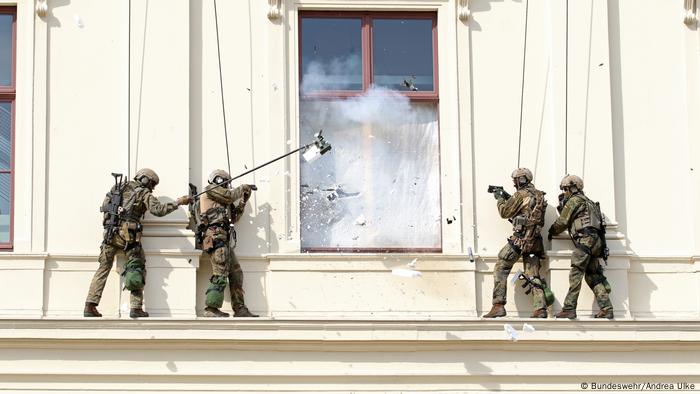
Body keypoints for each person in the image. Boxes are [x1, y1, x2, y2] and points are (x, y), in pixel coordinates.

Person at [84, 168, 192, 318]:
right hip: (128, 237)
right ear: (146, 180)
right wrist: (178, 202)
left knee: (103, 269)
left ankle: (90, 305)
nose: (152, 188)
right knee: (136, 267)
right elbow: (158, 210)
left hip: (109, 234)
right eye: (152, 184)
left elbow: (105, 207)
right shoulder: (143, 193)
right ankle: (136, 307)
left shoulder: (117, 188)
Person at [483, 168, 550, 318]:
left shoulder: (520, 195)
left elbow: (505, 212)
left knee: (501, 266)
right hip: (535, 241)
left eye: (515, 180)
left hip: (521, 239)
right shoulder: (540, 195)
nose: (514, 184)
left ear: (522, 180)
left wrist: (500, 198)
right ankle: (540, 308)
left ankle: (498, 305)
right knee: (533, 274)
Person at [548, 174, 613, 319]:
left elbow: (562, 222)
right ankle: (607, 308)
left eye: (566, 189)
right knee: (593, 276)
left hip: (585, 240)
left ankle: (569, 308)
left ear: (572, 188)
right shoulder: (589, 202)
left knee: (576, 274)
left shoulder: (575, 200)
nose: (565, 192)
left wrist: (551, 231)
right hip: (596, 243)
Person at [200, 169, 258, 318]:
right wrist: (242, 188)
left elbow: (235, 217)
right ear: (217, 180)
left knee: (236, 273)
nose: (226, 186)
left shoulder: (224, 200)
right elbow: (229, 195)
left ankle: (239, 308)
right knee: (220, 273)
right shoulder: (210, 191)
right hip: (215, 238)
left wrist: (244, 201)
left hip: (223, 239)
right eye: (224, 182)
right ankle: (211, 308)